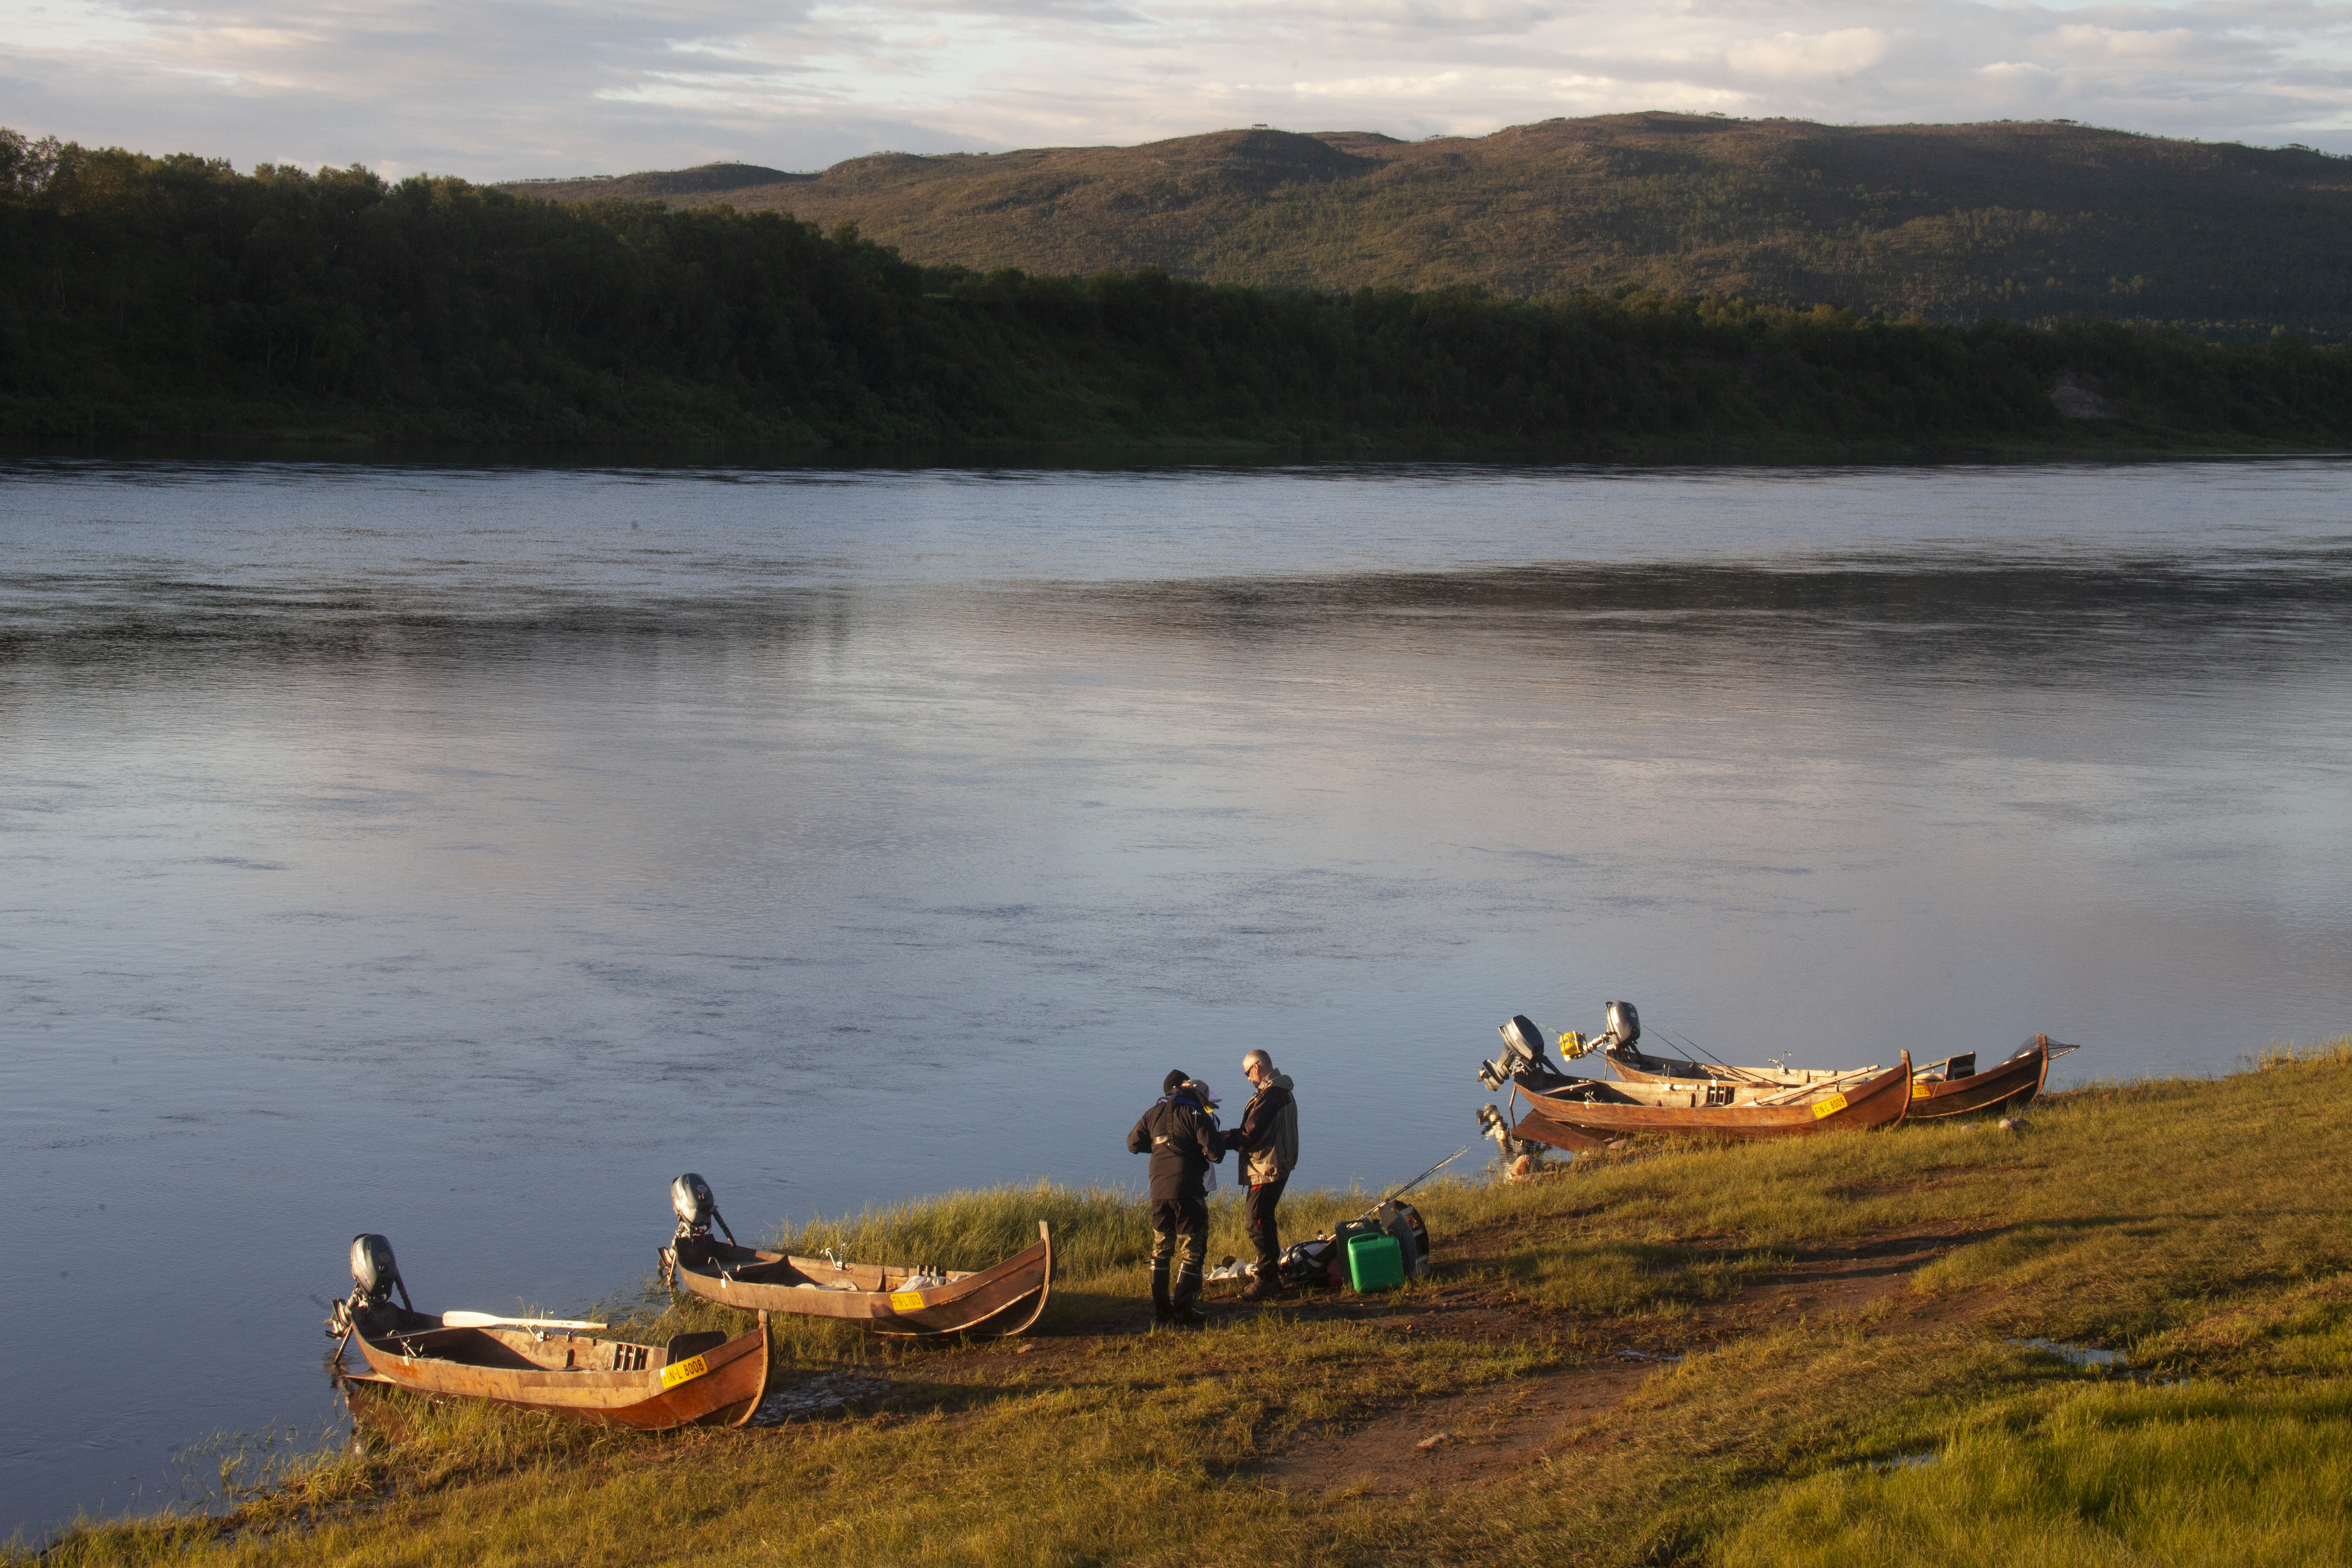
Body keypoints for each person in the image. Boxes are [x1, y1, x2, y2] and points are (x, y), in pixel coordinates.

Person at [1127, 1069, 1226, 1329]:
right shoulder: (1196, 1113)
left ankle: (1162, 1312)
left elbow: (1132, 1144)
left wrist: (1159, 1146)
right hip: (1188, 1189)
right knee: (1192, 1250)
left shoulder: (1152, 1113)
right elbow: (1216, 1154)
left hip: (1158, 1190)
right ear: (1193, 1092)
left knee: (1161, 1249)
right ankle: (1183, 1311)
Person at [1226, 1048, 1298, 1301]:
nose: (1248, 1079)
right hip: (1277, 1164)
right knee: (1263, 1219)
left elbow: (1250, 1135)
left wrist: (1220, 1139)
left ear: (1257, 1067)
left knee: (1256, 1220)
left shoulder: (1271, 1095)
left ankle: (1267, 1280)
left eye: (1248, 1073)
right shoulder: (1282, 1090)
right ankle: (1271, 1273)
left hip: (1267, 1168)